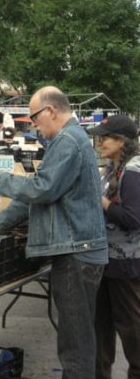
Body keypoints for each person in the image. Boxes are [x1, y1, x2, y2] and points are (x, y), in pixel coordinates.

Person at [0, 86, 108, 379]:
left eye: (34, 116)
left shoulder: (68, 140)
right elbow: (35, 197)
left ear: (50, 111)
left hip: (77, 255)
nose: (33, 124)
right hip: (78, 252)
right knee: (78, 339)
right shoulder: (67, 141)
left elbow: (41, 189)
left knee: (75, 345)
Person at [87, 115, 140, 379]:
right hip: (106, 259)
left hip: (126, 264)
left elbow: (133, 219)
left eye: (106, 137)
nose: (100, 142)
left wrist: (103, 203)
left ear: (122, 142)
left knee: (131, 328)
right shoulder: (113, 167)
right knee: (101, 325)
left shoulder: (132, 172)